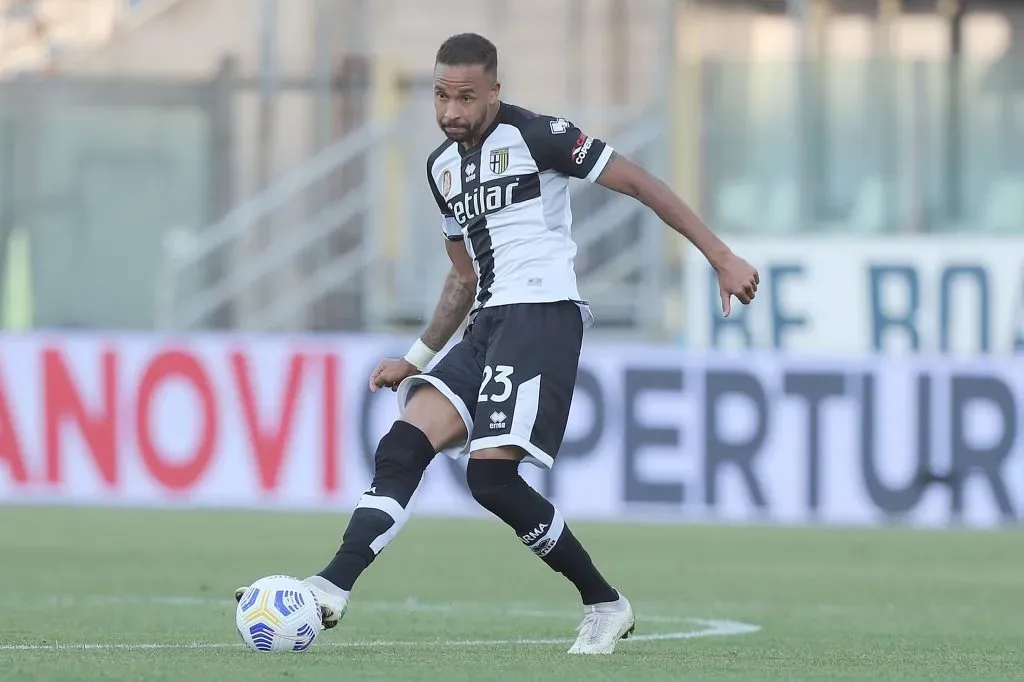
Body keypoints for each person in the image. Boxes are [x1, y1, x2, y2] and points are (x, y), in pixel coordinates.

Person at [236, 32, 758, 655]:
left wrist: (720, 255)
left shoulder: (541, 135)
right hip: (487, 321)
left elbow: (641, 184)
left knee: (490, 481)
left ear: (493, 92)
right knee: (402, 444)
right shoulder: (442, 168)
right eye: (440, 96)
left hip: (541, 315)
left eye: (465, 97)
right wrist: (417, 357)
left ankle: (603, 602)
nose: (451, 111)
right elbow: (463, 277)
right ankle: (331, 587)